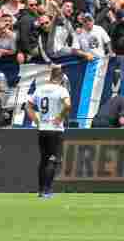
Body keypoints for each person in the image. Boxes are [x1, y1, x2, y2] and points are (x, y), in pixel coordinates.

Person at [26, 64, 71, 198]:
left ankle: (40, 190)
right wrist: (60, 116)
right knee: (53, 159)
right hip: (55, 130)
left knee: (44, 160)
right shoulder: (61, 90)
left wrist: (36, 120)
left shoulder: (40, 89)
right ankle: (47, 190)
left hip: (42, 128)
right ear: (61, 78)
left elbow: (28, 106)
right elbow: (68, 105)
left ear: (51, 76)